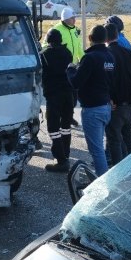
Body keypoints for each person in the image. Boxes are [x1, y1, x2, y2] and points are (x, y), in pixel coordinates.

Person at [69, 25, 115, 175]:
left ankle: (102, 183)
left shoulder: (90, 58)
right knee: (98, 148)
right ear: (106, 39)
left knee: (97, 150)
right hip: (105, 106)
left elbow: (76, 83)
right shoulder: (109, 56)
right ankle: (99, 174)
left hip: (93, 108)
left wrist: (70, 70)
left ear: (90, 39)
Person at [104, 23, 131, 166]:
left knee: (114, 139)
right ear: (117, 35)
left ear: (105, 38)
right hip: (130, 102)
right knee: (129, 136)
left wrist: (109, 97)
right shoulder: (128, 53)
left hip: (115, 104)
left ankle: (118, 169)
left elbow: (106, 81)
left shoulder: (107, 55)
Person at [40, 29, 75, 173]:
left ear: (48, 41)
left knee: (53, 128)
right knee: (65, 127)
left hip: (54, 95)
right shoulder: (67, 53)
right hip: (68, 94)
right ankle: (65, 154)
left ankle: (61, 160)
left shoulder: (45, 55)